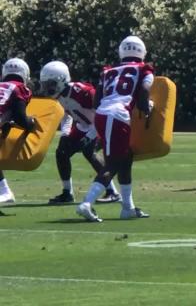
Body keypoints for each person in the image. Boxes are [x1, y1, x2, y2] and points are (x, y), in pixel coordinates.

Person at [76, 36, 153, 222]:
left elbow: (96, 100)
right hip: (118, 116)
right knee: (113, 164)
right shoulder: (144, 69)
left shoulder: (108, 71)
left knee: (126, 158)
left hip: (103, 115)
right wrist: (146, 108)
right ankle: (86, 203)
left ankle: (128, 208)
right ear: (142, 51)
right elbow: (143, 90)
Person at [40, 61, 121, 204]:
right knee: (62, 151)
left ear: (61, 80)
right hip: (83, 125)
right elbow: (66, 115)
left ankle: (112, 191)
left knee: (90, 151)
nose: (48, 88)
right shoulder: (60, 95)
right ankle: (67, 193)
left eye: (50, 84)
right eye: (46, 84)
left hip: (101, 124)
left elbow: (102, 113)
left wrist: (90, 136)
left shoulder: (83, 92)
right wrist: (65, 133)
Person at [0, 58, 36, 203]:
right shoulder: (19, 88)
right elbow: (20, 117)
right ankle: (5, 192)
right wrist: (31, 124)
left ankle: (5, 191)